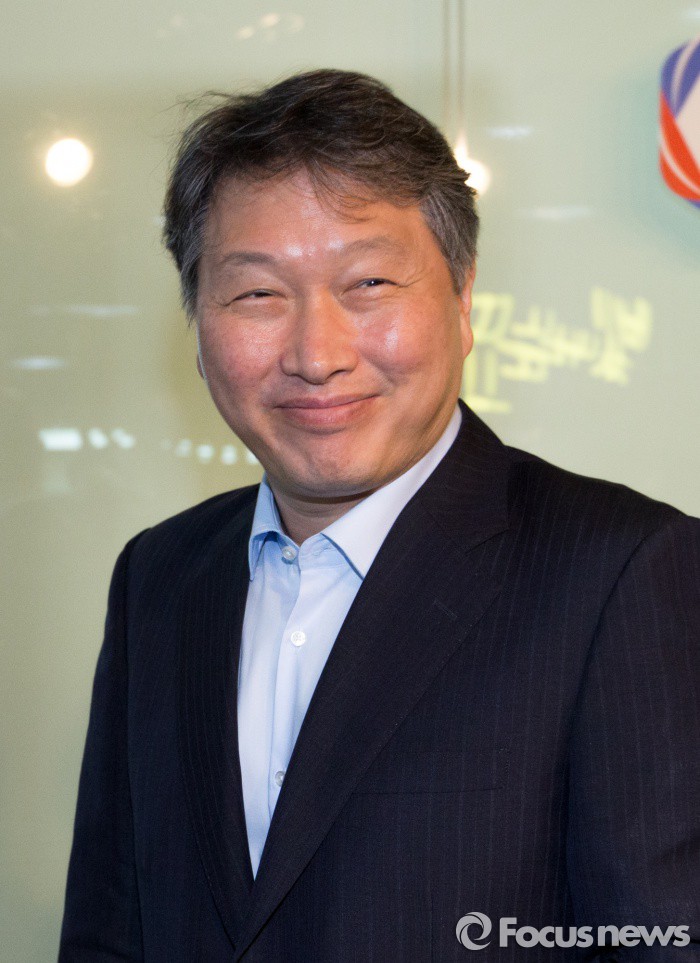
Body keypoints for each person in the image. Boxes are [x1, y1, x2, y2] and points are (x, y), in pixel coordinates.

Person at [59, 69, 699, 962]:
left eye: (368, 282)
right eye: (257, 294)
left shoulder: (622, 573)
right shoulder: (159, 576)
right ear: (197, 325)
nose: (317, 354)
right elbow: (108, 931)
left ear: (463, 301)